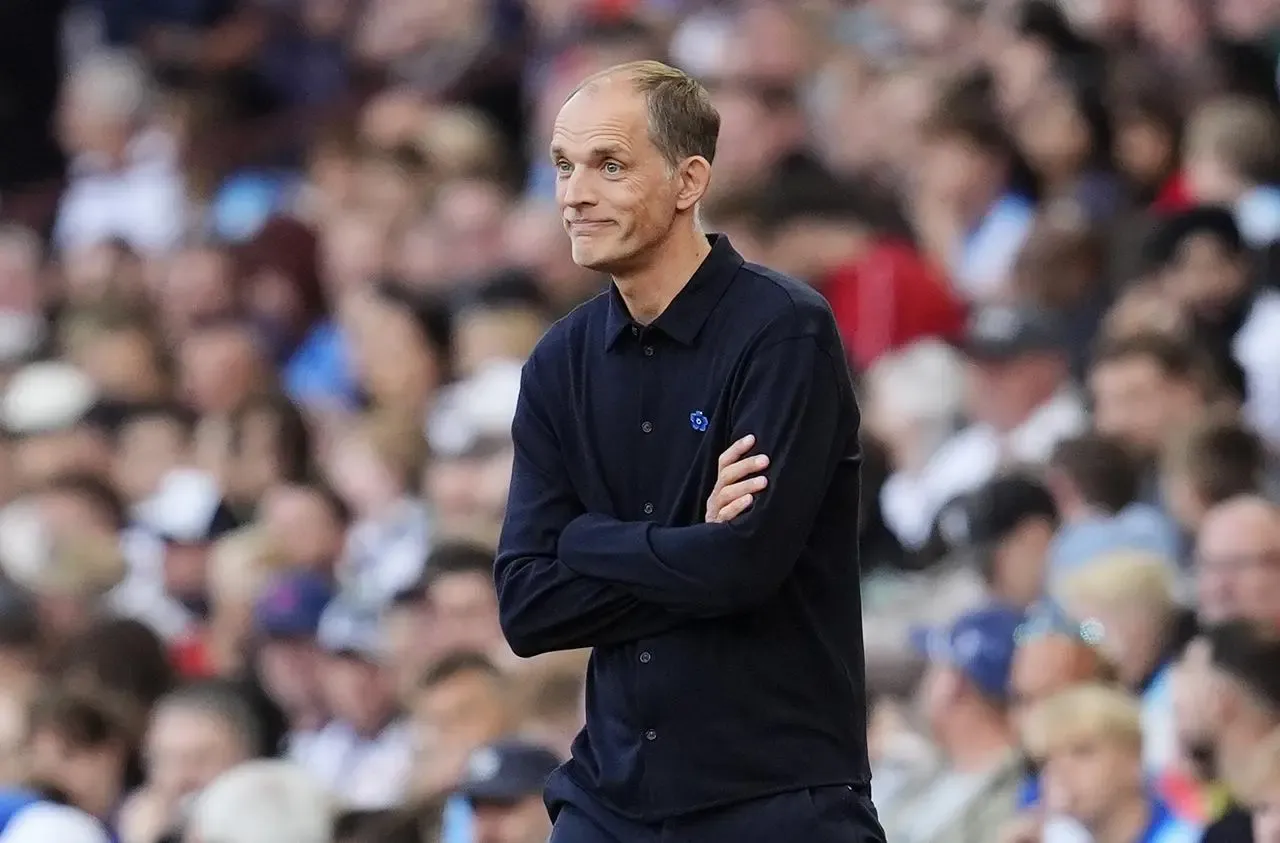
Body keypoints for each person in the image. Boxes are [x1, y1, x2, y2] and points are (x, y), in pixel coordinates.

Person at [496, 60, 881, 841]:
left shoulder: (783, 330)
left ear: (688, 180)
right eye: (564, 167)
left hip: (777, 796)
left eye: (609, 165)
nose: (574, 194)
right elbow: (527, 604)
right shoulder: (558, 361)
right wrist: (686, 544)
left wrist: (586, 539)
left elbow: (745, 566)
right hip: (608, 799)